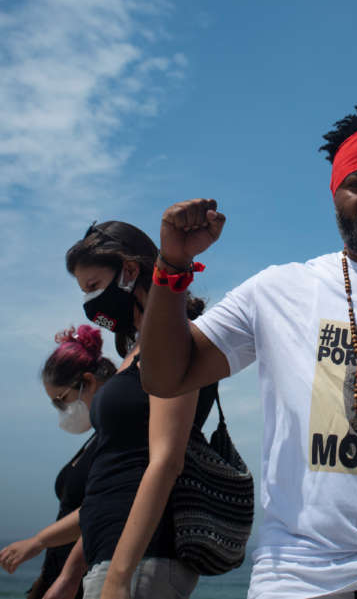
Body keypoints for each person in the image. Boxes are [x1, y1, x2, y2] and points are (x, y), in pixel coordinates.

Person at [135, 106, 357, 599]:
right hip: (296, 578)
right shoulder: (278, 290)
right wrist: (172, 265)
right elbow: (165, 377)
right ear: (336, 195)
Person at [64, 220, 217, 599]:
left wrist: (118, 577)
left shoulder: (171, 341)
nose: (90, 304)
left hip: (139, 564)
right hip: (115, 557)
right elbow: (113, 471)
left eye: (94, 287)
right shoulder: (135, 350)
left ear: (130, 271)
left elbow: (165, 461)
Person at [0, 325, 118, 599]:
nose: (62, 411)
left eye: (61, 401)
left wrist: (38, 542)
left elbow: (101, 507)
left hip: (85, 582)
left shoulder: (115, 438)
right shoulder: (97, 438)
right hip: (61, 580)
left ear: (88, 382)